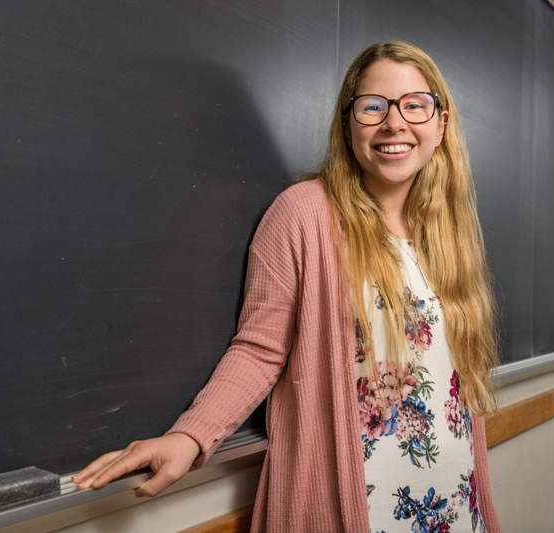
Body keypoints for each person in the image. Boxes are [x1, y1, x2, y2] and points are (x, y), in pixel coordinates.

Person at [73, 40, 501, 533]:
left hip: (456, 504)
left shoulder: (449, 232)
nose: (394, 123)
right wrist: (188, 437)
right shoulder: (304, 214)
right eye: (372, 107)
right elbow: (259, 349)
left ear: (441, 124)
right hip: (361, 510)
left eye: (415, 106)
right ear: (347, 122)